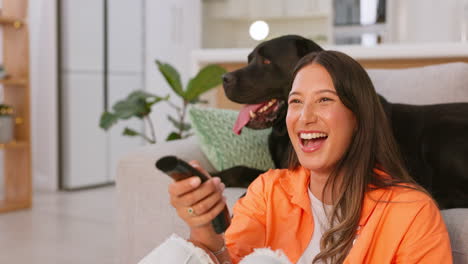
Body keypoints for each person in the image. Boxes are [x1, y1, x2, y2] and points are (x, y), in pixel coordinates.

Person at [139, 51, 452, 264]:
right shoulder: (269, 191)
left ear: (359, 117)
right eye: (296, 102)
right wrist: (205, 232)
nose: (305, 117)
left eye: (324, 100)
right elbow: (226, 259)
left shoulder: (411, 212)